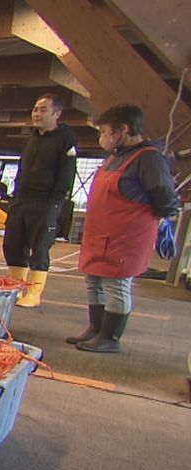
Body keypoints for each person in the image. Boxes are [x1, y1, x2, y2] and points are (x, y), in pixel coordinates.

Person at [66, 104, 178, 353]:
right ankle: (96, 328)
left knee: (116, 285)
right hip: (100, 234)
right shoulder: (116, 157)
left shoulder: (148, 158)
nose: (102, 137)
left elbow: (164, 197)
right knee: (94, 281)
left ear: (124, 130)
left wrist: (162, 221)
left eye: (105, 131)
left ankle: (110, 337)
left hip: (125, 237)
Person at [3, 94, 78, 307]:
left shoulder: (65, 140)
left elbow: (66, 176)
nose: (36, 114)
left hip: (45, 202)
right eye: (35, 109)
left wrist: (54, 203)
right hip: (21, 200)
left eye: (43, 110)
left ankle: (33, 293)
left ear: (57, 114)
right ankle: (16, 288)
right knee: (13, 244)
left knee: (40, 246)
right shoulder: (33, 137)